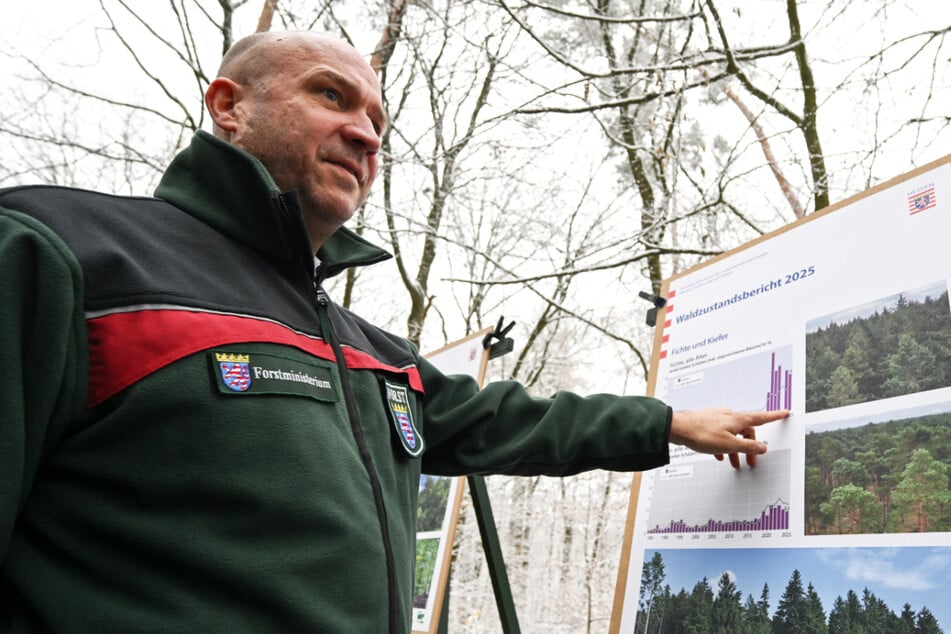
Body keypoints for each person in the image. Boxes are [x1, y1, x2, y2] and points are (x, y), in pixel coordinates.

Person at [0, 30, 787, 633]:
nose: (367, 135)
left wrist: (671, 423)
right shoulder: (61, 253)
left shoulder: (368, 351)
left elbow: (506, 421)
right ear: (228, 105)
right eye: (331, 97)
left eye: (378, 120)